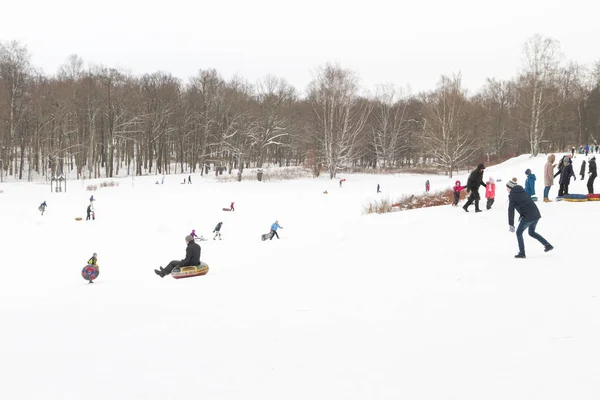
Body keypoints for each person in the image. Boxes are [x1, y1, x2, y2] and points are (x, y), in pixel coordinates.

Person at [507, 179, 553, 259]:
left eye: (507, 187)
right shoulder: (522, 191)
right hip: (536, 214)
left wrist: (511, 224)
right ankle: (547, 245)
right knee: (531, 232)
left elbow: (511, 210)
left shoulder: (513, 195)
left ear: (510, 187)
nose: (506, 189)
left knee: (518, 233)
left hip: (528, 216)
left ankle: (522, 253)